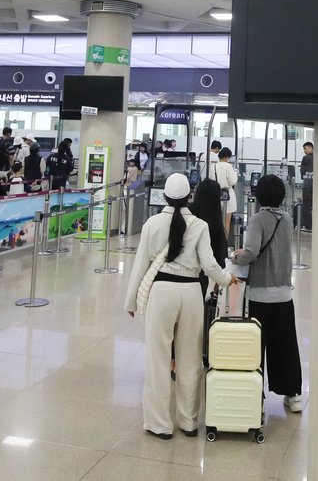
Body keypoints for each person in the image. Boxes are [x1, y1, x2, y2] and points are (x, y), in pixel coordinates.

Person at [124, 173, 236, 439]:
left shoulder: (152, 223)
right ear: (189, 197)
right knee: (190, 360)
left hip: (161, 292)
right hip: (190, 294)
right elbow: (209, 264)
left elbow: (140, 264)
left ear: (164, 196)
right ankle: (188, 422)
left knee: (159, 359)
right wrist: (227, 279)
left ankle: (159, 424)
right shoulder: (199, 225)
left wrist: (130, 301)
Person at [231, 174, 304, 413]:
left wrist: (236, 256)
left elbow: (250, 252)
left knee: (256, 347)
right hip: (284, 293)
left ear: (259, 195)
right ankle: (293, 395)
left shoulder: (257, 220)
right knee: (285, 346)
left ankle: (255, 398)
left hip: (260, 294)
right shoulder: (287, 219)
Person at [190, 179, 230, 296]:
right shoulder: (215, 220)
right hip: (198, 278)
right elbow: (219, 252)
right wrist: (222, 279)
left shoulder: (188, 213)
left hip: (176, 274)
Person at [211, 147, 239, 236]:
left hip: (216, 195)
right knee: (226, 223)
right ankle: (224, 245)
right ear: (227, 157)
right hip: (227, 196)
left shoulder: (213, 166)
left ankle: (216, 244)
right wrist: (236, 174)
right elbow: (232, 181)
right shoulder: (228, 166)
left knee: (216, 222)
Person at [299, 142, 314, 233]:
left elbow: (302, 172)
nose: (304, 151)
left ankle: (308, 226)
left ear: (310, 147)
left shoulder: (306, 158)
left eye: (305, 148)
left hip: (307, 185)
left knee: (306, 205)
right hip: (315, 184)